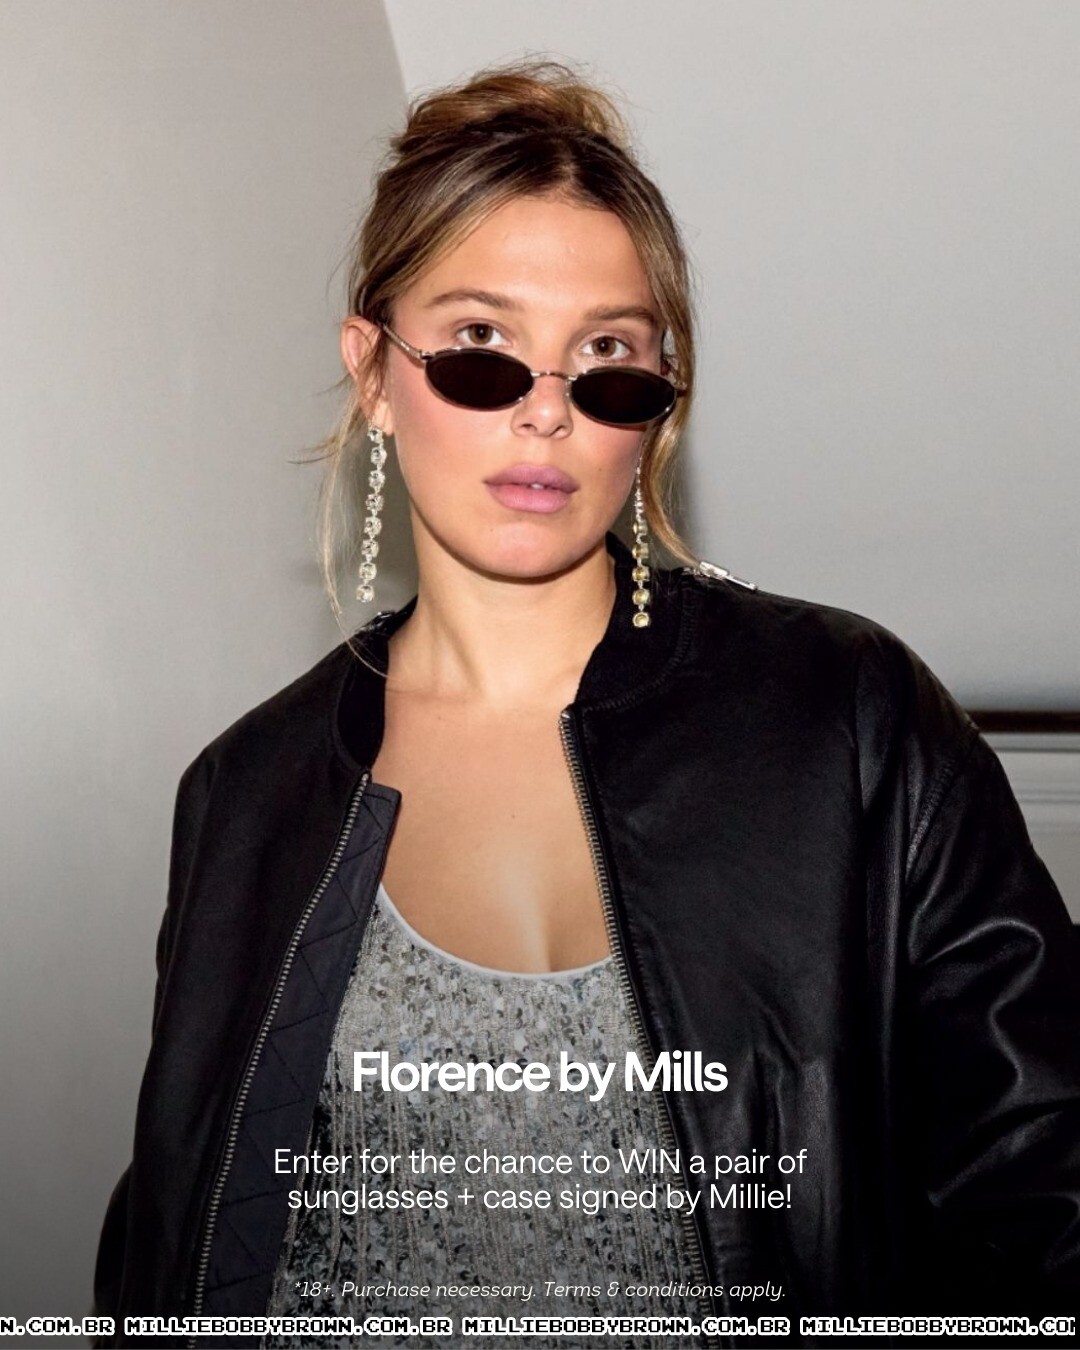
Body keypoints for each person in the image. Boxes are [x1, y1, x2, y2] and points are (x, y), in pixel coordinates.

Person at [94, 62, 1079, 1349]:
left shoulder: (850, 721)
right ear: (372, 373)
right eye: (482, 349)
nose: (547, 412)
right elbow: (173, 1229)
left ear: (659, 404)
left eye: (606, 357)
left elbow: (1044, 1181)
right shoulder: (246, 792)